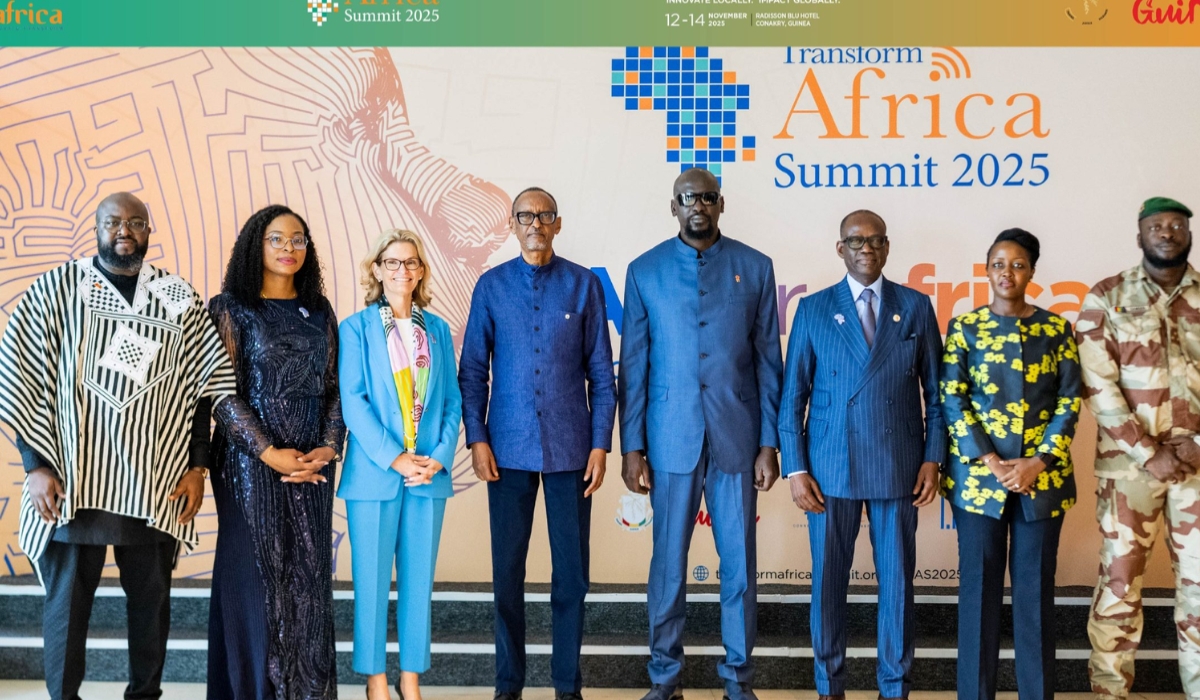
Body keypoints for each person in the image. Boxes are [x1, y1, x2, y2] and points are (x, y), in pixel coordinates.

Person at [0, 192, 237, 700]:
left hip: (156, 482)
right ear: (97, 227)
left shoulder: (178, 298)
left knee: (150, 607)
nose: (123, 230)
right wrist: (34, 465)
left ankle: (144, 696)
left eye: (134, 222)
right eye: (113, 222)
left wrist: (197, 467)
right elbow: (20, 376)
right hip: (71, 479)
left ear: (149, 230)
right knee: (67, 608)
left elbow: (202, 388)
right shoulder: (57, 290)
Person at [619, 167, 783, 700]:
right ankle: (665, 678)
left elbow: (767, 362)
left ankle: (739, 680)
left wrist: (769, 443)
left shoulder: (755, 268)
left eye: (708, 198)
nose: (698, 206)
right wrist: (633, 446)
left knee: (738, 568)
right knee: (668, 567)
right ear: (674, 206)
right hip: (670, 439)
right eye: (688, 198)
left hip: (737, 438)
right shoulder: (644, 271)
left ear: (720, 205)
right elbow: (635, 365)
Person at [779, 209, 945, 700]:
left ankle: (894, 688)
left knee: (896, 587)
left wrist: (933, 458)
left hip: (899, 465)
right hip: (829, 469)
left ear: (888, 247)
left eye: (875, 241)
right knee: (829, 586)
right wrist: (797, 466)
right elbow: (793, 397)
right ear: (840, 249)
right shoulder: (813, 309)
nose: (866, 249)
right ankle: (829, 687)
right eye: (855, 242)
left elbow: (936, 395)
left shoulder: (915, 306)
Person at [459, 187, 616, 700]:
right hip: (506, 451)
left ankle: (567, 688)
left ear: (558, 223)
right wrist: (477, 438)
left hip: (573, 451)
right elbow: (473, 372)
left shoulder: (583, 285)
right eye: (525, 215)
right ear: (511, 223)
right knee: (507, 575)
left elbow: (601, 372)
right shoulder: (491, 286)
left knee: (571, 577)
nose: (535, 223)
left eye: (544, 215)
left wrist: (600, 445)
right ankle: (509, 686)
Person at [205, 205, 345, 699]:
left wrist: (327, 447)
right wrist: (269, 453)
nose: (289, 249)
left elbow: (333, 389)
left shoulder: (320, 310)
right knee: (257, 580)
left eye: (298, 240)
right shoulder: (229, 307)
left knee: (309, 581)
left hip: (312, 466)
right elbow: (220, 394)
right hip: (249, 466)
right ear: (255, 246)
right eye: (277, 239)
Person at [940, 229, 1082, 700]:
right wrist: (993, 461)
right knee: (978, 597)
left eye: (1017, 264)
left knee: (1034, 598)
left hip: (1040, 483)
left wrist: (1038, 462)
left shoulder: (1056, 328)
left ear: (1032, 271)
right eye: (998, 264)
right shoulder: (965, 328)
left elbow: (1069, 399)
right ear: (986, 270)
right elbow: (952, 399)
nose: (1007, 273)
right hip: (980, 484)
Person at [1077, 197, 1200, 699]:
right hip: (1130, 470)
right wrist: (1150, 451)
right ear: (1139, 235)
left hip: (1198, 468)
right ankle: (1110, 693)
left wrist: (1194, 443)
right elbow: (1097, 384)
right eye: (1156, 226)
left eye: (1175, 225)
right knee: (1120, 586)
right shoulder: (1106, 296)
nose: (1166, 233)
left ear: (1188, 234)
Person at [339, 229, 462, 700]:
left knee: (418, 586)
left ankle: (410, 679)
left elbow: (451, 403)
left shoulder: (438, 331)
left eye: (411, 263)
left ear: (421, 271)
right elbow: (354, 401)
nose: (402, 271)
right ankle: (375, 681)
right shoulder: (355, 328)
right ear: (377, 270)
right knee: (370, 585)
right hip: (375, 476)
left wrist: (437, 459)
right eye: (392, 263)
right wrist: (395, 458)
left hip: (428, 476)